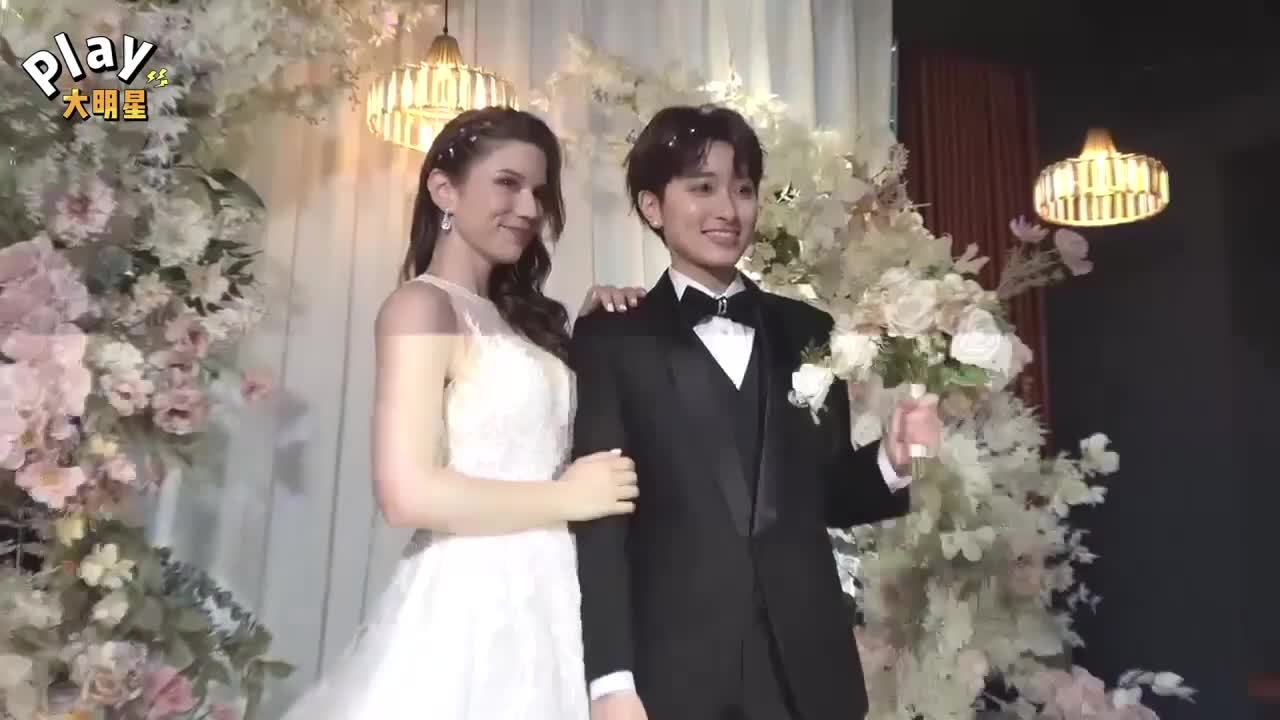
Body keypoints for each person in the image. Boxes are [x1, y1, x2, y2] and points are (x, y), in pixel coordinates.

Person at [570, 105, 943, 720]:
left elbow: (823, 494)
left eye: (743, 189)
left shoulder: (809, 329)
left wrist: (892, 460)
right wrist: (610, 679)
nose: (728, 208)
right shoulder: (613, 338)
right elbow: (601, 524)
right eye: (703, 187)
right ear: (652, 206)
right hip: (673, 671)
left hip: (807, 668)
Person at [278, 106, 645, 719]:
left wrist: (596, 330)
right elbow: (406, 494)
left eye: (538, 192)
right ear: (444, 190)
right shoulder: (421, 307)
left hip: (556, 589)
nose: (528, 209)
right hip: (475, 599)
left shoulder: (517, 318)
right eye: (508, 183)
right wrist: (567, 498)